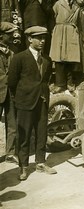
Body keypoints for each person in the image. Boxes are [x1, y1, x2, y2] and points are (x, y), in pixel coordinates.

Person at [8, 26, 57, 181]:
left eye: (44, 38)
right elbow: (12, 82)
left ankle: (41, 162)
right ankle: (23, 167)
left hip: (42, 101)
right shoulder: (19, 58)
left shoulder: (47, 60)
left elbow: (45, 80)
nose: (42, 41)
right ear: (29, 39)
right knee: (24, 135)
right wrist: (21, 98)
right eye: (39, 38)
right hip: (25, 102)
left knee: (42, 132)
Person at [50, 0, 81, 93]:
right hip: (60, 31)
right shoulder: (58, 4)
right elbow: (52, 18)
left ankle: (70, 83)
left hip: (71, 32)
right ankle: (60, 84)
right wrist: (54, 31)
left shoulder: (76, 5)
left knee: (70, 59)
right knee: (59, 59)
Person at [0, 24, 18, 164]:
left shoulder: (12, 52)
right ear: (1, 36)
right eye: (10, 34)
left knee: (12, 124)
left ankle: (10, 154)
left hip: (10, 93)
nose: (13, 36)